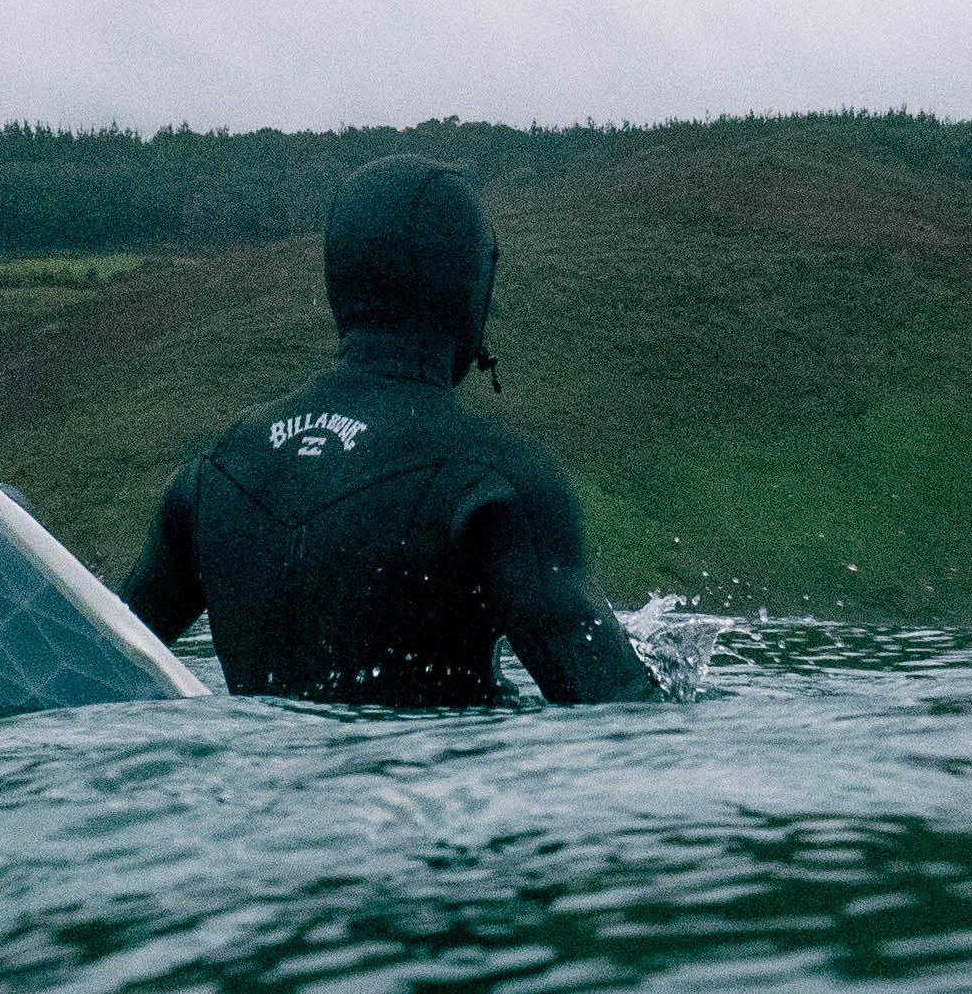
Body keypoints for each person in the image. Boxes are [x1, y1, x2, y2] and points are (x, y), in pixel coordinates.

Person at [121, 156, 658, 707]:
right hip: (437, 788)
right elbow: (624, 714)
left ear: (340, 283)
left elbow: (101, 672)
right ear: (470, 287)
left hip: (247, 790)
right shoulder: (495, 480)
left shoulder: (212, 476)